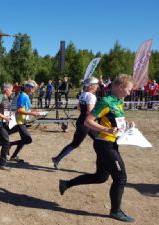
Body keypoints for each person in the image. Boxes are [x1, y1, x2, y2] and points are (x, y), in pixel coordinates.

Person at [59, 74, 135, 222]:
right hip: (105, 145)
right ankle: (115, 211)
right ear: (120, 87)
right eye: (128, 90)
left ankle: (66, 183)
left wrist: (128, 123)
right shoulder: (106, 101)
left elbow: (116, 121)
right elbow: (88, 121)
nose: (129, 93)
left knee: (100, 177)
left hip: (112, 143)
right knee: (121, 178)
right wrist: (106, 130)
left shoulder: (117, 101)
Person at [51, 77, 99, 169]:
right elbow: (90, 112)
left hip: (82, 121)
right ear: (90, 86)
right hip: (87, 123)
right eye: (95, 85)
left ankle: (103, 162)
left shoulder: (83, 94)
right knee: (75, 144)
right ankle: (57, 158)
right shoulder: (91, 96)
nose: (97, 87)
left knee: (99, 140)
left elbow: (79, 108)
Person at [9, 82, 40, 163]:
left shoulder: (26, 96)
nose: (34, 89)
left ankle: (14, 156)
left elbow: (25, 108)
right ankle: (9, 144)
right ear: (27, 88)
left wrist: (34, 111)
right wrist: (31, 113)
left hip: (23, 121)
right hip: (20, 121)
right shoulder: (23, 96)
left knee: (23, 140)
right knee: (28, 140)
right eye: (32, 88)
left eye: (34, 88)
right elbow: (19, 110)